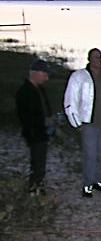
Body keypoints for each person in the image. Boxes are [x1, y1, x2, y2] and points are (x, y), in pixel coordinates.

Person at [64, 48, 101, 198]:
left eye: (100, 57)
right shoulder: (79, 77)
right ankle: (87, 185)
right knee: (90, 155)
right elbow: (71, 99)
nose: (99, 59)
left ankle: (98, 181)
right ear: (89, 59)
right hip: (88, 123)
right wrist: (76, 122)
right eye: (96, 57)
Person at [16, 59, 54, 195]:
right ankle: (34, 188)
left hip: (43, 132)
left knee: (40, 161)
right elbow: (26, 117)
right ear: (36, 73)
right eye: (45, 74)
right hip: (34, 133)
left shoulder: (40, 89)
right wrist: (34, 130)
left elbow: (44, 109)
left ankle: (38, 185)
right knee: (36, 162)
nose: (47, 78)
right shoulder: (24, 92)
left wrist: (50, 120)